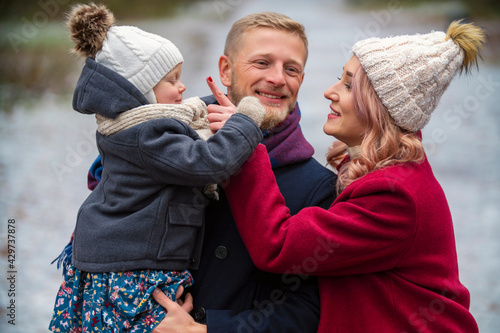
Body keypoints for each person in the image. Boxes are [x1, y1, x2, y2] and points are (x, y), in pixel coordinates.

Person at [205, 20, 485, 332]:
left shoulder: (395, 195)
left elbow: (279, 245)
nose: (330, 92)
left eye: (349, 85)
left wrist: (246, 140)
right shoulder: (385, 173)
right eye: (340, 78)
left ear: (381, 108)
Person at [84, 11, 336, 333]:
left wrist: (204, 330)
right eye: (262, 63)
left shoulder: (317, 186)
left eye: (291, 69)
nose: (277, 78)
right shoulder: (158, 142)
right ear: (226, 70)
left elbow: (304, 314)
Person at [49, 4, 266, 332]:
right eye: (172, 80)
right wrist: (246, 121)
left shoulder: (133, 125)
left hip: (121, 259)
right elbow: (207, 163)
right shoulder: (148, 133)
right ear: (142, 91)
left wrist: (204, 109)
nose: (182, 88)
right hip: (131, 270)